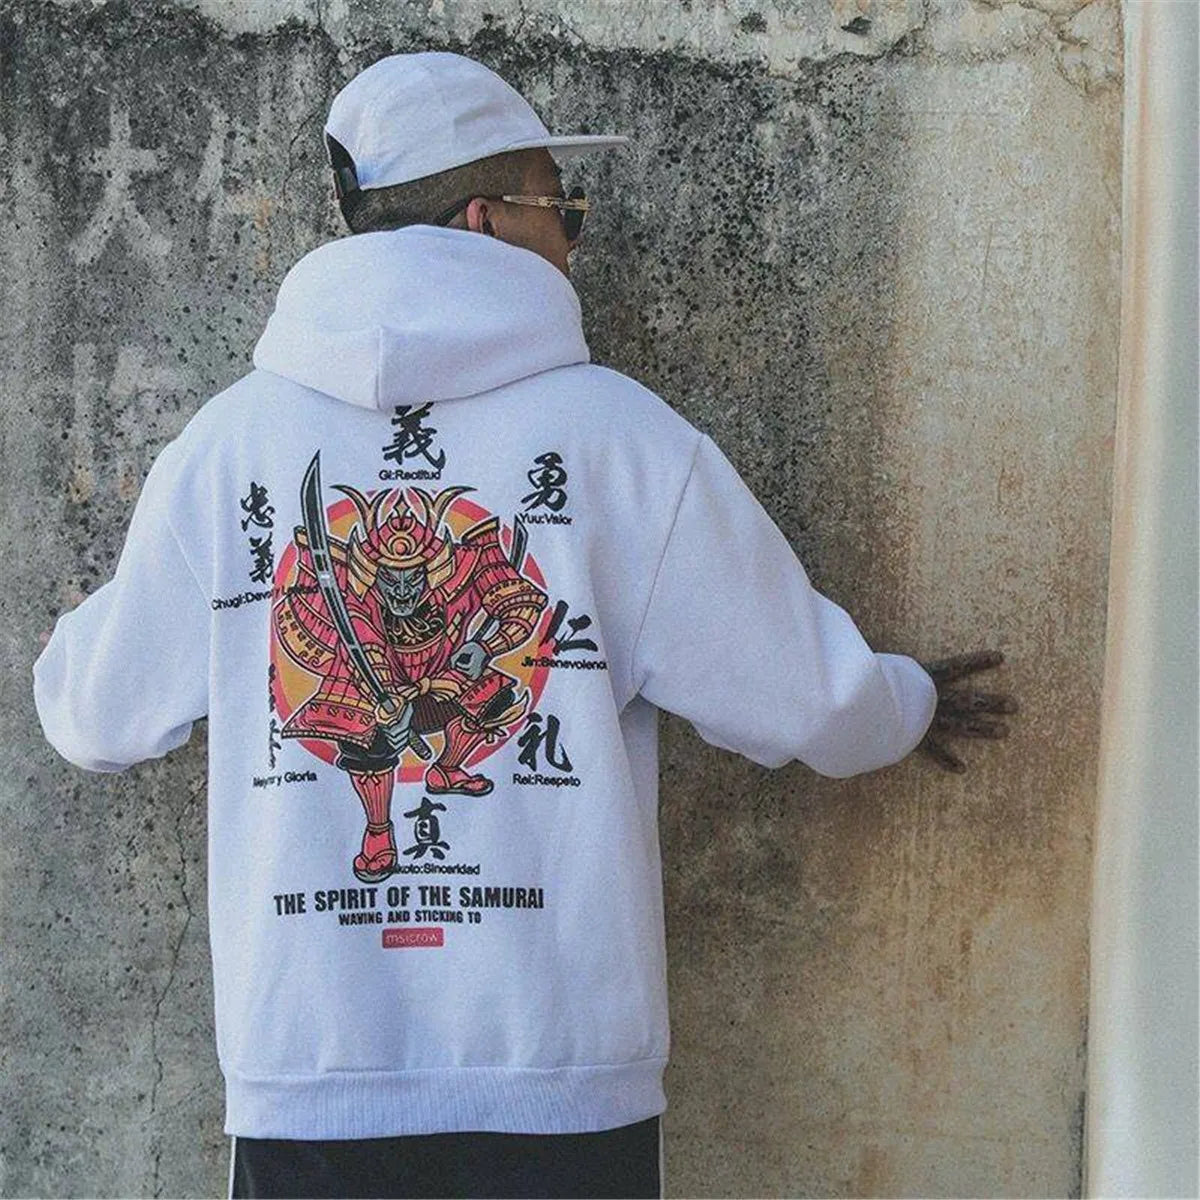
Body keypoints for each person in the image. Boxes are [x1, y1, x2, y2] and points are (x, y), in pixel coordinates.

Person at [31, 51, 1013, 1200]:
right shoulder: (622, 441)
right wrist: (906, 706)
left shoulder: (224, 451)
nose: (574, 238)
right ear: (487, 219)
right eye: (563, 205)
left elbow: (94, 715)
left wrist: (73, 644)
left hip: (312, 1070)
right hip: (558, 1078)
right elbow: (806, 696)